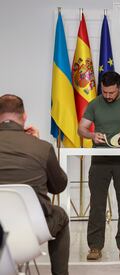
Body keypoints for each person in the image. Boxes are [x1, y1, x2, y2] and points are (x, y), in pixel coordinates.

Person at [78, 71, 120, 261]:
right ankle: (95, 247)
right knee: (97, 205)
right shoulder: (94, 104)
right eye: (105, 92)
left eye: (112, 93)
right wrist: (92, 135)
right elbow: (81, 128)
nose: (107, 96)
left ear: (119, 88)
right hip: (99, 160)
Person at [0, 94, 69, 275]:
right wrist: (36, 143)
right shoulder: (41, 148)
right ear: (24, 117)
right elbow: (58, 186)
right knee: (60, 214)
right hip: (32, 229)